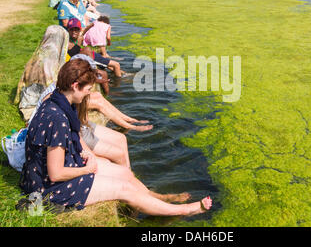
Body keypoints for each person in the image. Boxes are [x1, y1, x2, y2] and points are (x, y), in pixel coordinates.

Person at [20, 59, 212, 214]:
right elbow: (56, 173)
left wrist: (87, 152)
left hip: (62, 167)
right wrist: (87, 170)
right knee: (124, 189)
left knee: (126, 174)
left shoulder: (60, 100)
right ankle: (184, 210)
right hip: (48, 187)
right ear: (75, 85)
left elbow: (74, 137)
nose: (88, 94)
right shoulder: (56, 119)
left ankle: (153, 198)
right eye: (88, 89)